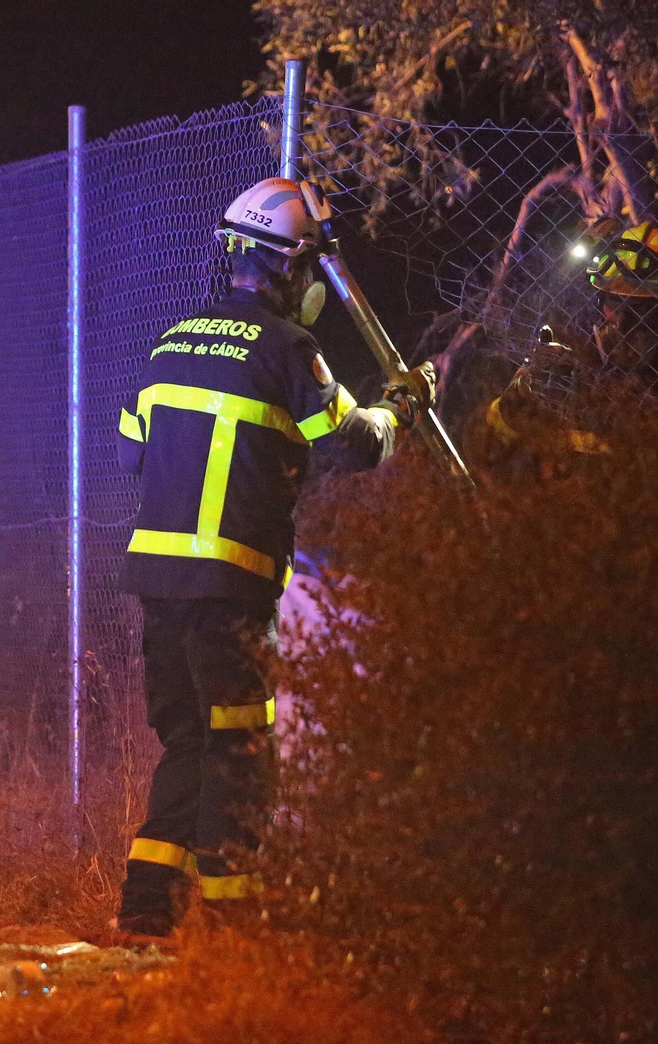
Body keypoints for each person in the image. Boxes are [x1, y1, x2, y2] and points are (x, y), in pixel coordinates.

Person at [110, 177, 435, 941]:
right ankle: (238, 930)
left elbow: (130, 450)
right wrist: (405, 406)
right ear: (293, 269)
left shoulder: (172, 336)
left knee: (189, 740)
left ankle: (145, 908)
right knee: (239, 749)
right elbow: (354, 446)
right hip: (232, 591)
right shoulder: (292, 349)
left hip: (158, 583)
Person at [476, 218, 658, 471]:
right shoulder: (574, 356)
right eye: (613, 304)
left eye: (642, 311)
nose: (619, 323)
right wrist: (524, 389)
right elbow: (494, 438)